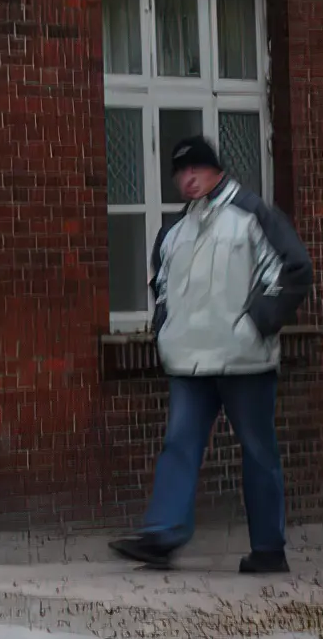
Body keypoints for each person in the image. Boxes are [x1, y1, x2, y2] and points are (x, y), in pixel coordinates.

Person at [114, 134, 312, 574]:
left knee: (258, 451)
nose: (187, 179)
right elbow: (161, 285)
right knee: (178, 446)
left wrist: (255, 323)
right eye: (180, 172)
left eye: (195, 169)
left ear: (215, 169)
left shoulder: (251, 214)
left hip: (244, 359)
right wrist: (164, 330)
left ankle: (268, 549)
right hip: (188, 361)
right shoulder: (173, 231)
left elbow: (294, 268)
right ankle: (162, 535)